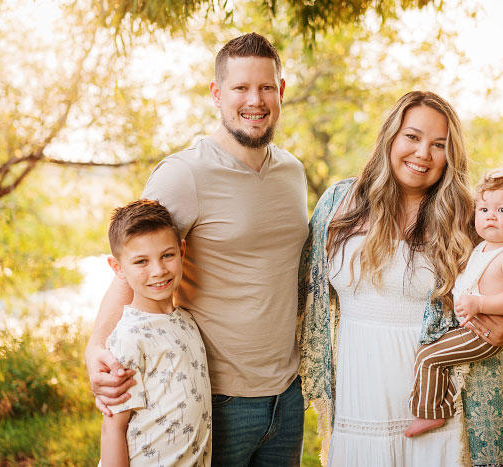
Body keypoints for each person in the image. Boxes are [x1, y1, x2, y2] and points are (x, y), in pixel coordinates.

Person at [86, 33, 308, 466]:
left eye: (266, 87)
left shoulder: (292, 172)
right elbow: (136, 265)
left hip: (287, 396)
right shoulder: (183, 174)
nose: (255, 100)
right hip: (214, 398)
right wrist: (97, 348)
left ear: (280, 91)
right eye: (241, 88)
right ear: (216, 93)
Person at [297, 91, 503, 466]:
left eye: (438, 144)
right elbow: (301, 288)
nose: (423, 153)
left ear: (451, 154)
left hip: (447, 408)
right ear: (390, 137)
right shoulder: (339, 202)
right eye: (412, 137)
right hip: (359, 399)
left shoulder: (470, 214)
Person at [405, 167, 503, 438]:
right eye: (483, 210)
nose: (491, 216)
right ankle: (438, 400)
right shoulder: (490, 245)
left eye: (502, 210)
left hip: (484, 332)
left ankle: (431, 412)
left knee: (429, 357)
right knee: (433, 352)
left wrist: (479, 304)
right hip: (473, 325)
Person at [100, 199, 211, 466]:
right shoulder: (129, 337)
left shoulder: (186, 320)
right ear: (118, 268)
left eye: (167, 255)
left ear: (182, 251)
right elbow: (113, 427)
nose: (158, 270)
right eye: (141, 261)